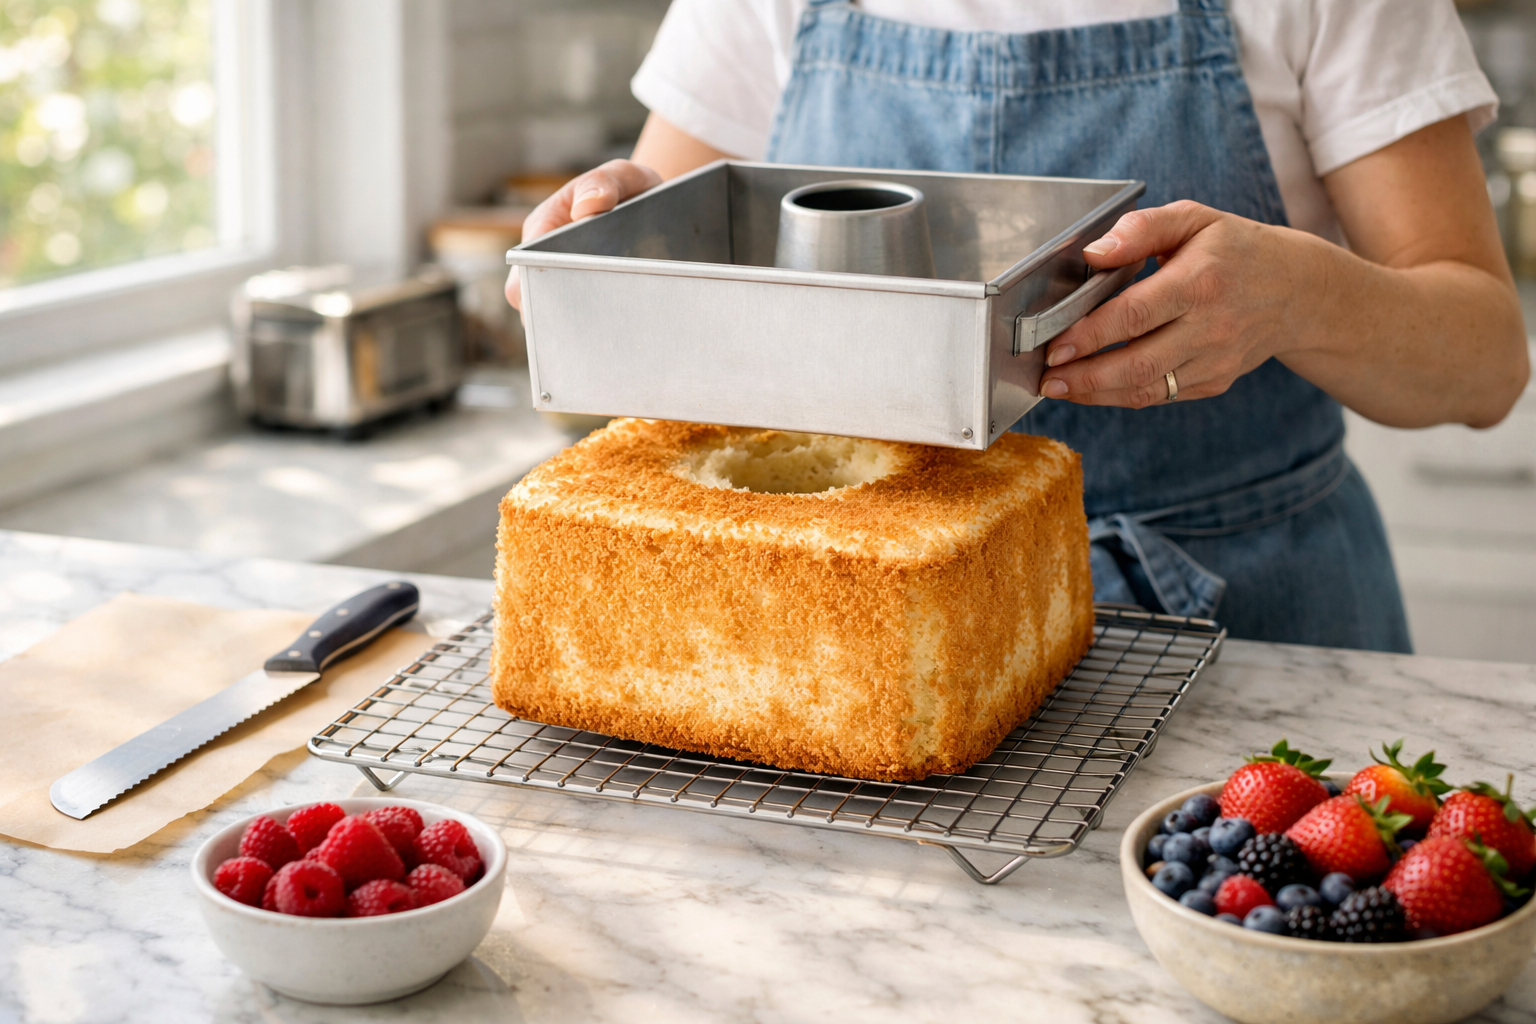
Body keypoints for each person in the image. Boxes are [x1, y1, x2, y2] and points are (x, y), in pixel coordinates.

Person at [506, 0, 1531, 652]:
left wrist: (1301, 294)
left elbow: (1487, 362)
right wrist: (627, 226)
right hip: (868, 629)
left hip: (1255, 624)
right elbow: (676, 311)